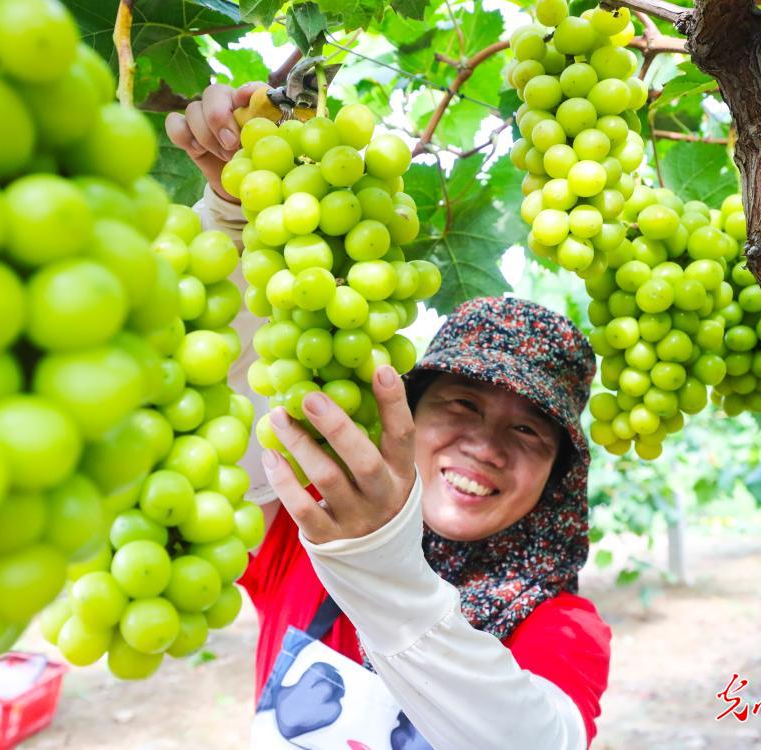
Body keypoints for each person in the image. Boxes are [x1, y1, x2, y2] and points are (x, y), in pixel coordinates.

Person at [166, 84, 612, 750]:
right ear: (399, 416)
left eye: (526, 432)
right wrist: (232, 218)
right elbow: (232, 396)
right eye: (460, 404)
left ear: (554, 479)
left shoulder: (558, 622)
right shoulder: (313, 531)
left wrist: (383, 566)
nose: (485, 447)